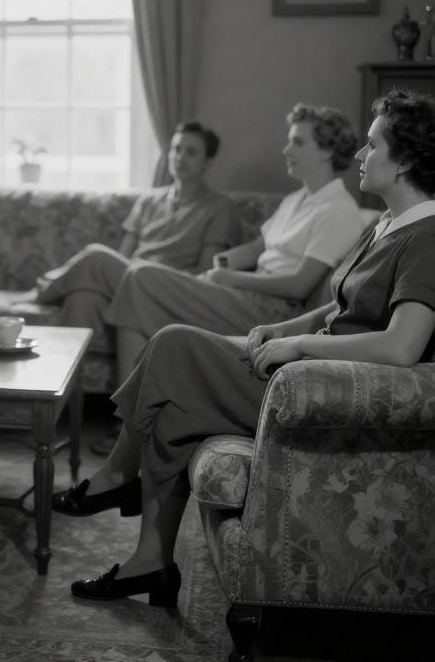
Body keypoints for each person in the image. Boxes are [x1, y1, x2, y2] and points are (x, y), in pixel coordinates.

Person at [65, 88, 435, 608]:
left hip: (316, 386)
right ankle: (150, 563)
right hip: (305, 363)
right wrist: (282, 329)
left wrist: (299, 346)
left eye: (372, 145)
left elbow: (402, 346)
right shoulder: (385, 224)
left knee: (172, 344)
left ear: (406, 161)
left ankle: (115, 476)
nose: (359, 153)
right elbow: (337, 308)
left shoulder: (428, 237)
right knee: (174, 402)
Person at [54, 103, 367, 515]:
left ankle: (123, 450)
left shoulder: (338, 209)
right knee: (137, 286)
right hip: (245, 294)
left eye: (297, 141)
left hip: (274, 311)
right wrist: (220, 265)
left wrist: (229, 278)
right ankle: (128, 441)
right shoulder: (298, 199)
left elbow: (299, 284)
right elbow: (255, 249)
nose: (286, 149)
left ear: (326, 150)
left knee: (141, 277)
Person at [9, 121, 240, 329]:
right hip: (131, 280)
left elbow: (204, 273)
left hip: (170, 287)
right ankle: (77, 364)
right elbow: (124, 255)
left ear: (207, 162)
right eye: (176, 149)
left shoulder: (219, 207)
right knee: (83, 297)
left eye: (191, 152)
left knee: (96, 255)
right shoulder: (149, 200)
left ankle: (41, 291)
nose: (180, 157)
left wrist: (157, 275)